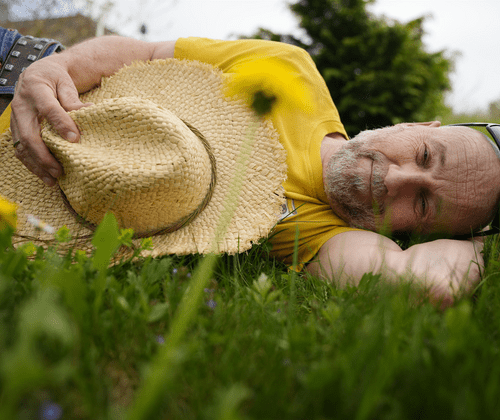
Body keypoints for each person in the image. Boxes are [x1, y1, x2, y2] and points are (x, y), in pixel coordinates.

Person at [2, 32, 499, 308]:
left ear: (417, 234)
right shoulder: (292, 69)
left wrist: (484, 241)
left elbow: (428, 285)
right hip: (23, 63)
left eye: (423, 203)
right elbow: (145, 53)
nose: (394, 179)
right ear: (416, 125)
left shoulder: (329, 235)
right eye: (425, 155)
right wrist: (52, 69)